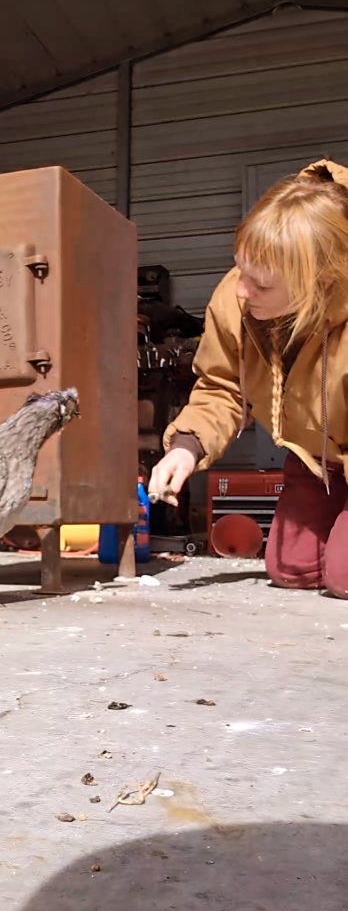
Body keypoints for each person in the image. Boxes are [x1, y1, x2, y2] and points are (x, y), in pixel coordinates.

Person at [149, 159, 348, 599]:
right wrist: (186, 448)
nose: (242, 290)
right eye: (241, 270)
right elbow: (222, 386)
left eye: (261, 285)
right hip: (317, 458)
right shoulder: (235, 298)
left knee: (344, 576)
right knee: (292, 570)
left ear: (319, 283)